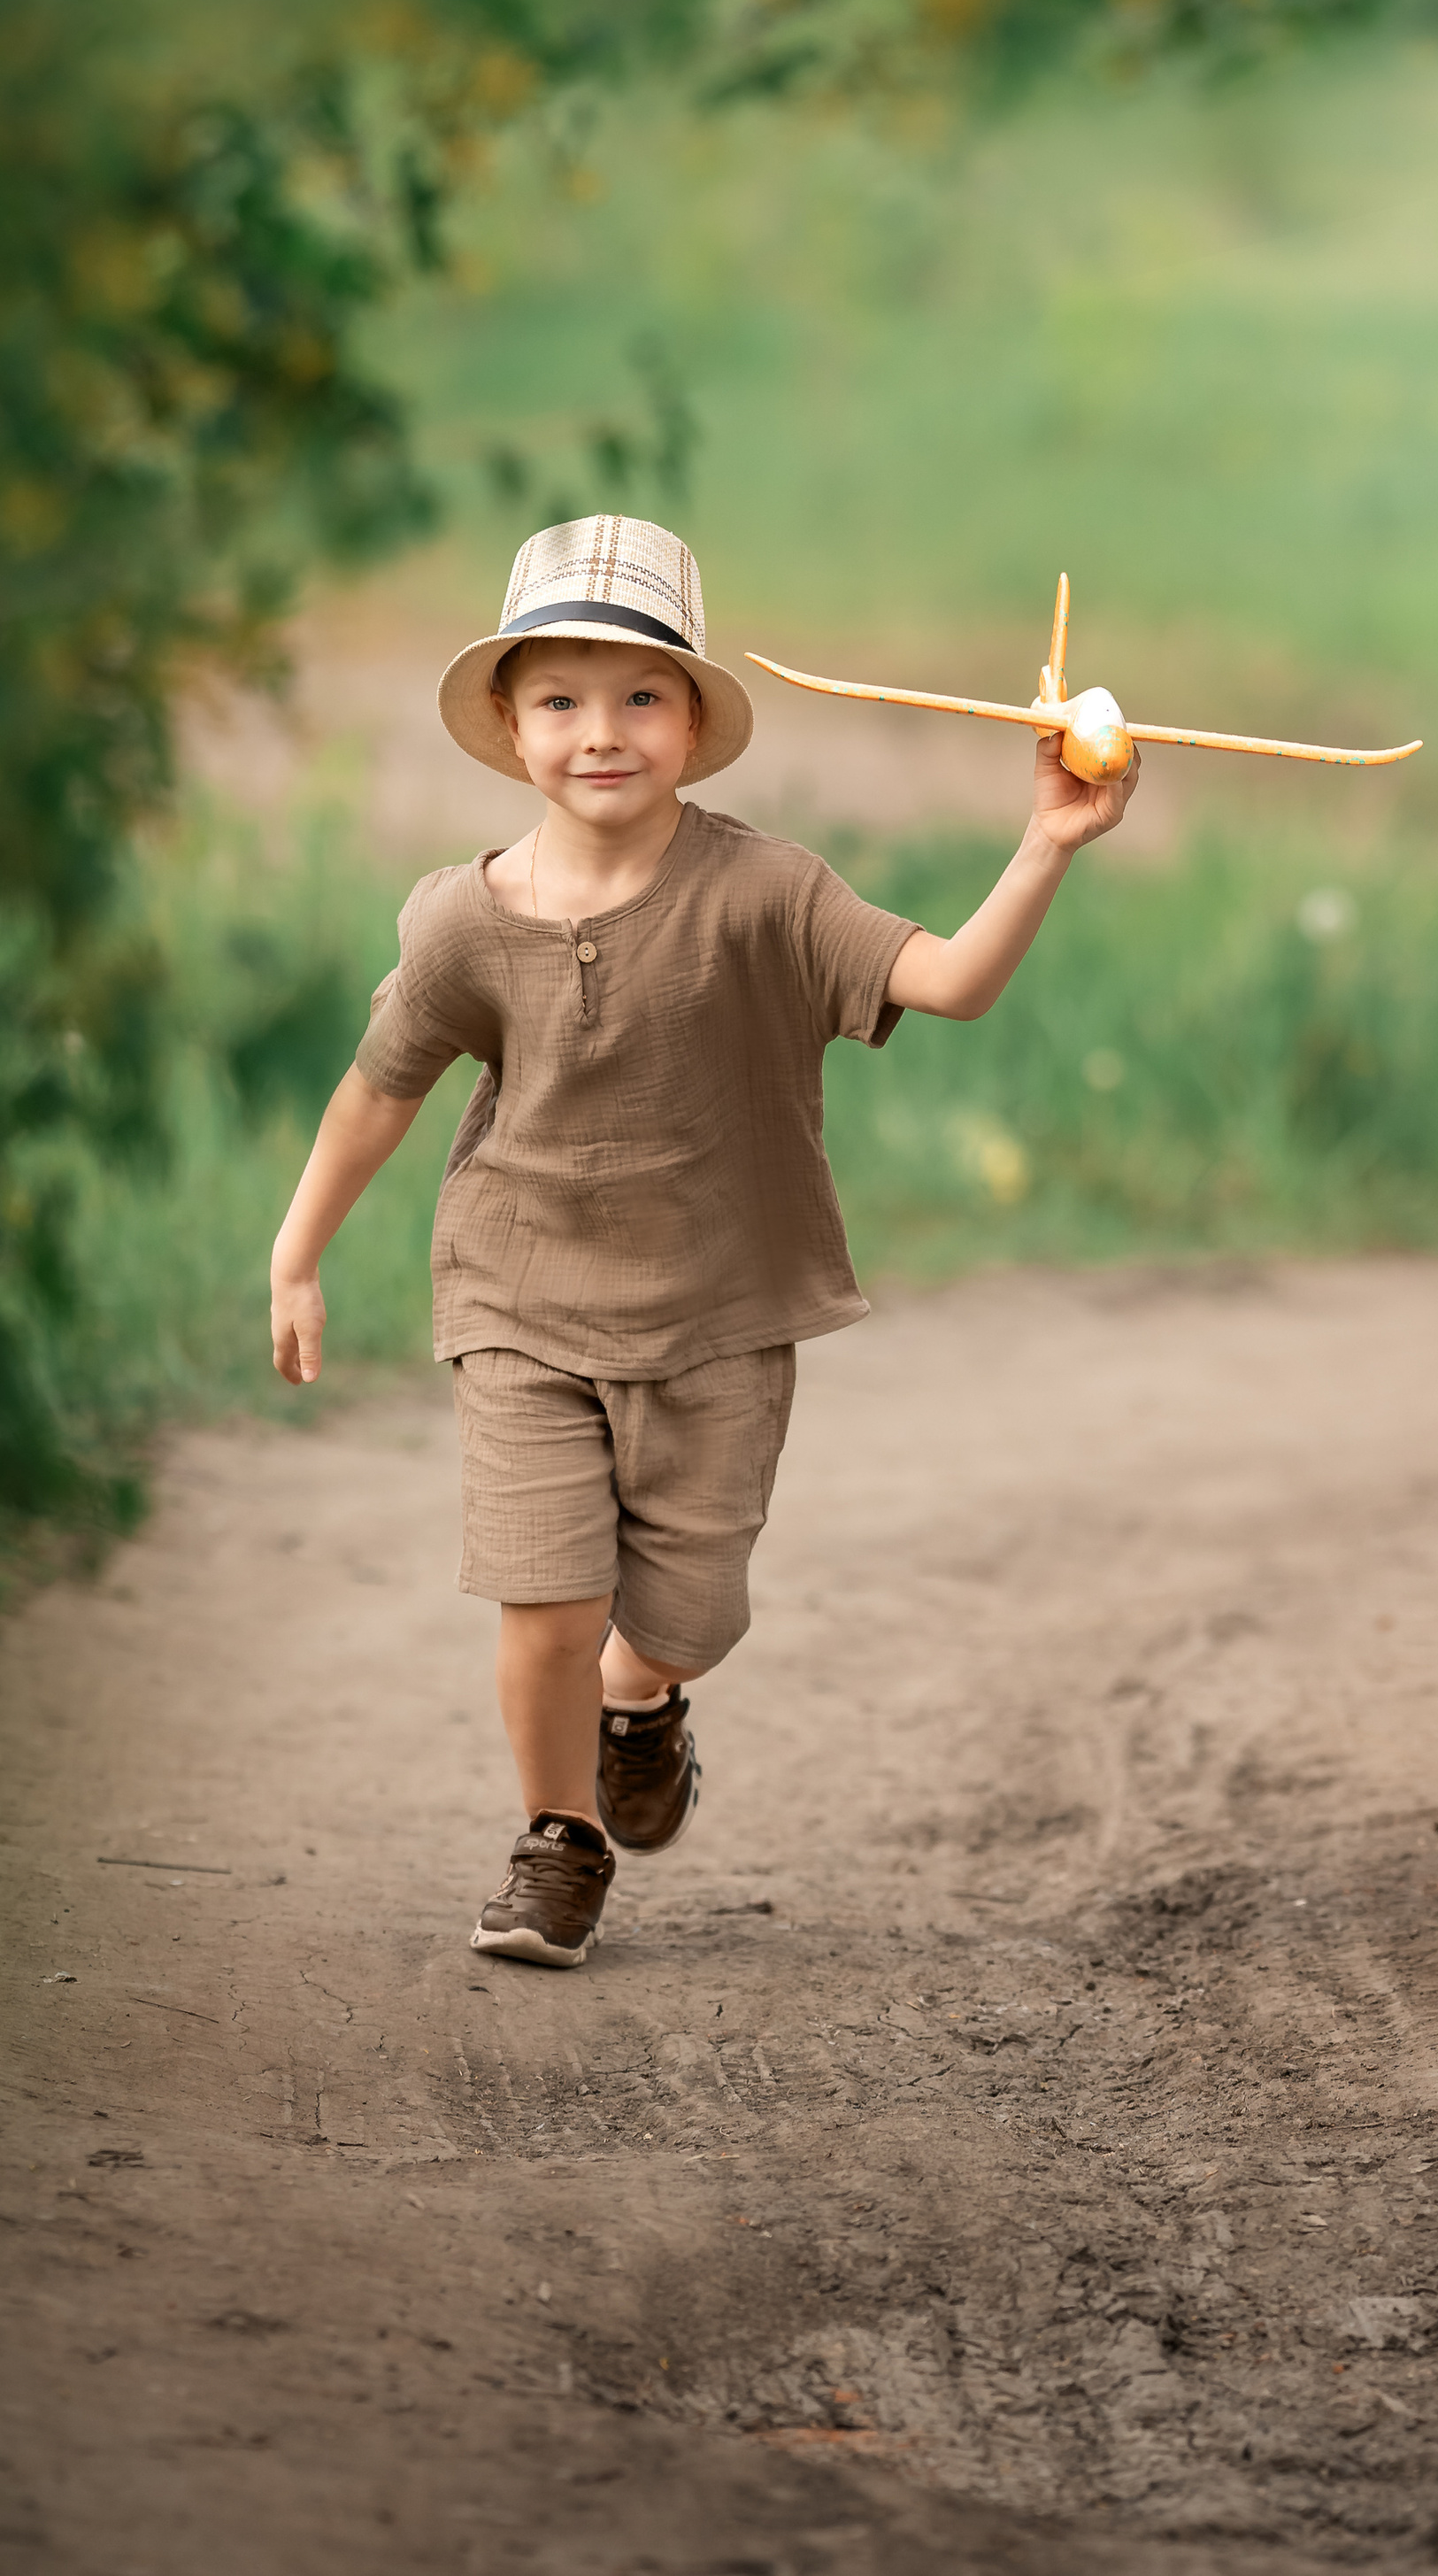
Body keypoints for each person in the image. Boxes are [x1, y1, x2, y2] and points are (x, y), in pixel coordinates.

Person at [268, 515, 1136, 1965]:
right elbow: (379, 1093)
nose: (599, 733)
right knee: (544, 1602)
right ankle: (558, 1840)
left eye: (640, 698)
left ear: (691, 721)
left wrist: (1046, 841)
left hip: (719, 1317)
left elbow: (951, 981)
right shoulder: (458, 924)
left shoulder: (766, 894)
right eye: (560, 699)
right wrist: (298, 1254)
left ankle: (646, 1701)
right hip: (522, 1301)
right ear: (508, 720)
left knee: (684, 1616)